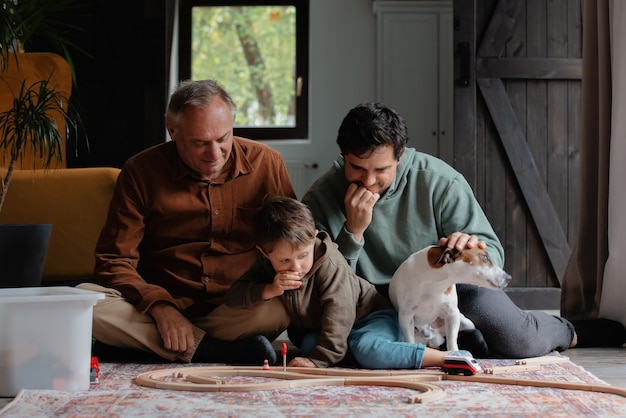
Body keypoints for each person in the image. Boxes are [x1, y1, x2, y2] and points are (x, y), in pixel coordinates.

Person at [301, 102, 580, 364]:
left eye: (381, 170)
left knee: (518, 340)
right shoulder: (321, 197)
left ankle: (570, 330)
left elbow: (493, 255)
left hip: (444, 288)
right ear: (343, 156)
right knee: (316, 344)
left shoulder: (439, 181)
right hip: (371, 303)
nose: (369, 181)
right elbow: (324, 284)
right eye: (357, 168)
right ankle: (460, 342)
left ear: (402, 155)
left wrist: (472, 247)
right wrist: (353, 233)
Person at [78, 79, 296, 365]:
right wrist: (161, 307)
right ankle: (215, 349)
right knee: (84, 302)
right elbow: (112, 260)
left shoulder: (267, 163)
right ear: (172, 131)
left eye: (223, 139)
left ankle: (154, 345)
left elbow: (295, 242)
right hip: (160, 306)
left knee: (278, 310)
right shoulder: (140, 171)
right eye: (199, 143)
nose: (214, 154)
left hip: (236, 308)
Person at [225, 196, 454, 368]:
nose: (296, 266)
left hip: (370, 316)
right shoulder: (266, 264)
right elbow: (234, 295)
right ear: (264, 253)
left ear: (313, 237)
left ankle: (448, 357)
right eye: (284, 260)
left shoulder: (329, 265)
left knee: (364, 350)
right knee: (309, 346)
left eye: (303, 255)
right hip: (338, 327)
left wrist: (319, 361)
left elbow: (340, 312)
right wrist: (269, 289)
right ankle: (360, 349)